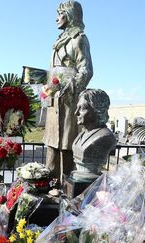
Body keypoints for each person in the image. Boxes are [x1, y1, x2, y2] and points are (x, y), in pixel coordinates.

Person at [43, 0, 93, 181]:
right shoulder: (58, 41)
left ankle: (67, 189)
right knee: (51, 146)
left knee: (66, 146)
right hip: (53, 100)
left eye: (60, 14)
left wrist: (67, 87)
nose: (56, 18)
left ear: (70, 15)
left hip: (69, 103)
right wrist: (44, 81)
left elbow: (86, 70)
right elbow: (53, 72)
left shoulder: (79, 39)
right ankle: (49, 185)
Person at [71, 89, 116, 181]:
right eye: (77, 107)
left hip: (91, 180)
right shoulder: (83, 133)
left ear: (97, 110)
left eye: (82, 108)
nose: (76, 113)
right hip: (78, 175)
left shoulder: (105, 137)